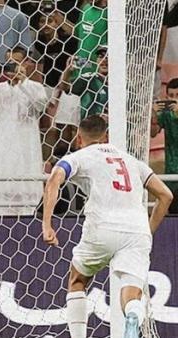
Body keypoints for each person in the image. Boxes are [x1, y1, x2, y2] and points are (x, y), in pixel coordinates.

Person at [42, 115, 173, 338]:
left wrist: (47, 224)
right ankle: (133, 315)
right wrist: (147, 231)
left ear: (79, 139)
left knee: (78, 279)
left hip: (102, 226)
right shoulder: (131, 160)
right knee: (132, 294)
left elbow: (55, 177)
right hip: (136, 231)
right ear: (107, 136)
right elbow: (166, 195)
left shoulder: (80, 156)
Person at [0, 55, 47, 216]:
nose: (13, 68)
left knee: (28, 195)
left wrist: (23, 82)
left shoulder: (35, 86)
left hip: (27, 152)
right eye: (9, 63)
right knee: (0, 196)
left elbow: (40, 105)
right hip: (2, 150)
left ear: (27, 64)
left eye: (17, 63)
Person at [151, 78, 178, 213]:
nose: (174, 99)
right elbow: (152, 133)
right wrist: (154, 114)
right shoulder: (166, 115)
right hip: (171, 174)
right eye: (171, 96)